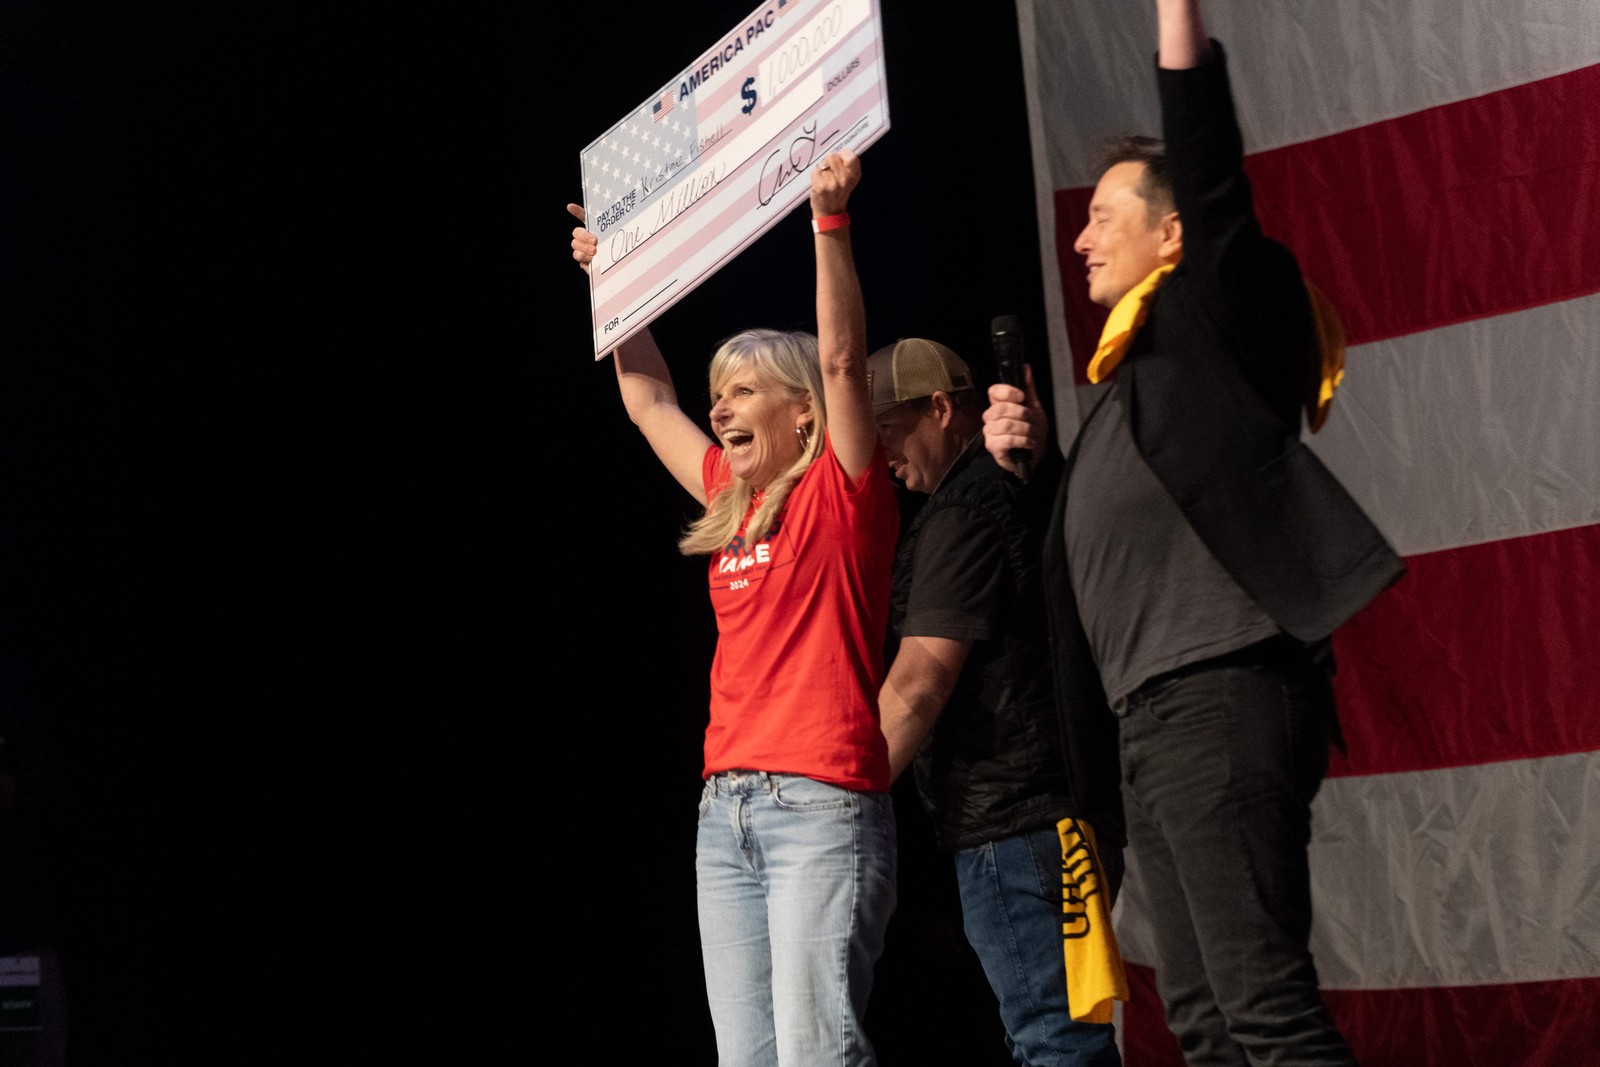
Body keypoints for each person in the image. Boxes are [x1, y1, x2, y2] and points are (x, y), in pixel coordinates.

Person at [982, 2, 1405, 1064]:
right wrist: (1035, 475)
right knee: (1205, 1023)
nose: (1080, 237)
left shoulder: (1213, 319)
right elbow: (1101, 561)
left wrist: (1177, 18)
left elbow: (1210, 167)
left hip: (1217, 692)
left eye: (1102, 216)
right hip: (1149, 721)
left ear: (1171, 237)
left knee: (1262, 1008)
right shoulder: (1132, 390)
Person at [569, 148, 900, 1067]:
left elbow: (844, 360)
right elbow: (648, 400)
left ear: (804, 414)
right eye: (719, 395)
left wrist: (829, 222)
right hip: (727, 814)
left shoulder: (844, 493)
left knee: (816, 1054)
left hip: (819, 805)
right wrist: (614, 282)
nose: (720, 411)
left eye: (744, 391)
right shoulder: (728, 496)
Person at [870, 337, 1124, 1066]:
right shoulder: (1009, 492)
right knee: (1056, 1034)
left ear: (941, 408)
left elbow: (919, 683)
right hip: (1054, 816)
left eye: (887, 429)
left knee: (1053, 1039)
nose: (880, 455)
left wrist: (842, 790)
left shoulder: (964, 511)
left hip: (1015, 827)